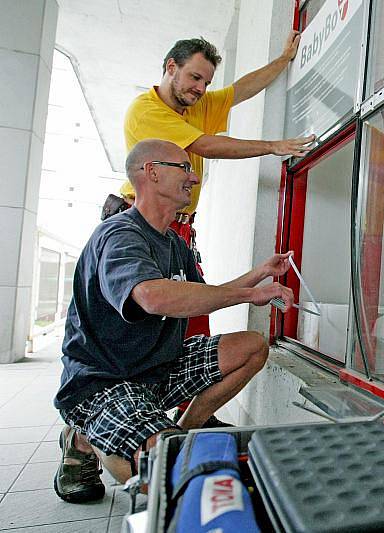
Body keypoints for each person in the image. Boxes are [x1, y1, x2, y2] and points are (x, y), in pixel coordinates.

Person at [53, 139, 296, 503]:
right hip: (103, 382)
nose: (193, 178)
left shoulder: (174, 244)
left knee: (251, 346)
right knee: (160, 470)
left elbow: (200, 298)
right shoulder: (120, 235)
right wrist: (247, 295)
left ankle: (178, 431)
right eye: (184, 167)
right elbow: (152, 297)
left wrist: (258, 274)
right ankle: (85, 436)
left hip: (157, 370)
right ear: (151, 172)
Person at [121, 34, 314, 425]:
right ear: (170, 67)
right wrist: (273, 146)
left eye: (206, 82)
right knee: (123, 336)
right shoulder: (146, 110)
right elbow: (207, 146)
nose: (201, 89)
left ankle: (191, 422)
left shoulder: (199, 103)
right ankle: (80, 443)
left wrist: (284, 59)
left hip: (178, 231)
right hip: (140, 223)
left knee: (194, 324)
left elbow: (241, 89)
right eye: (195, 78)